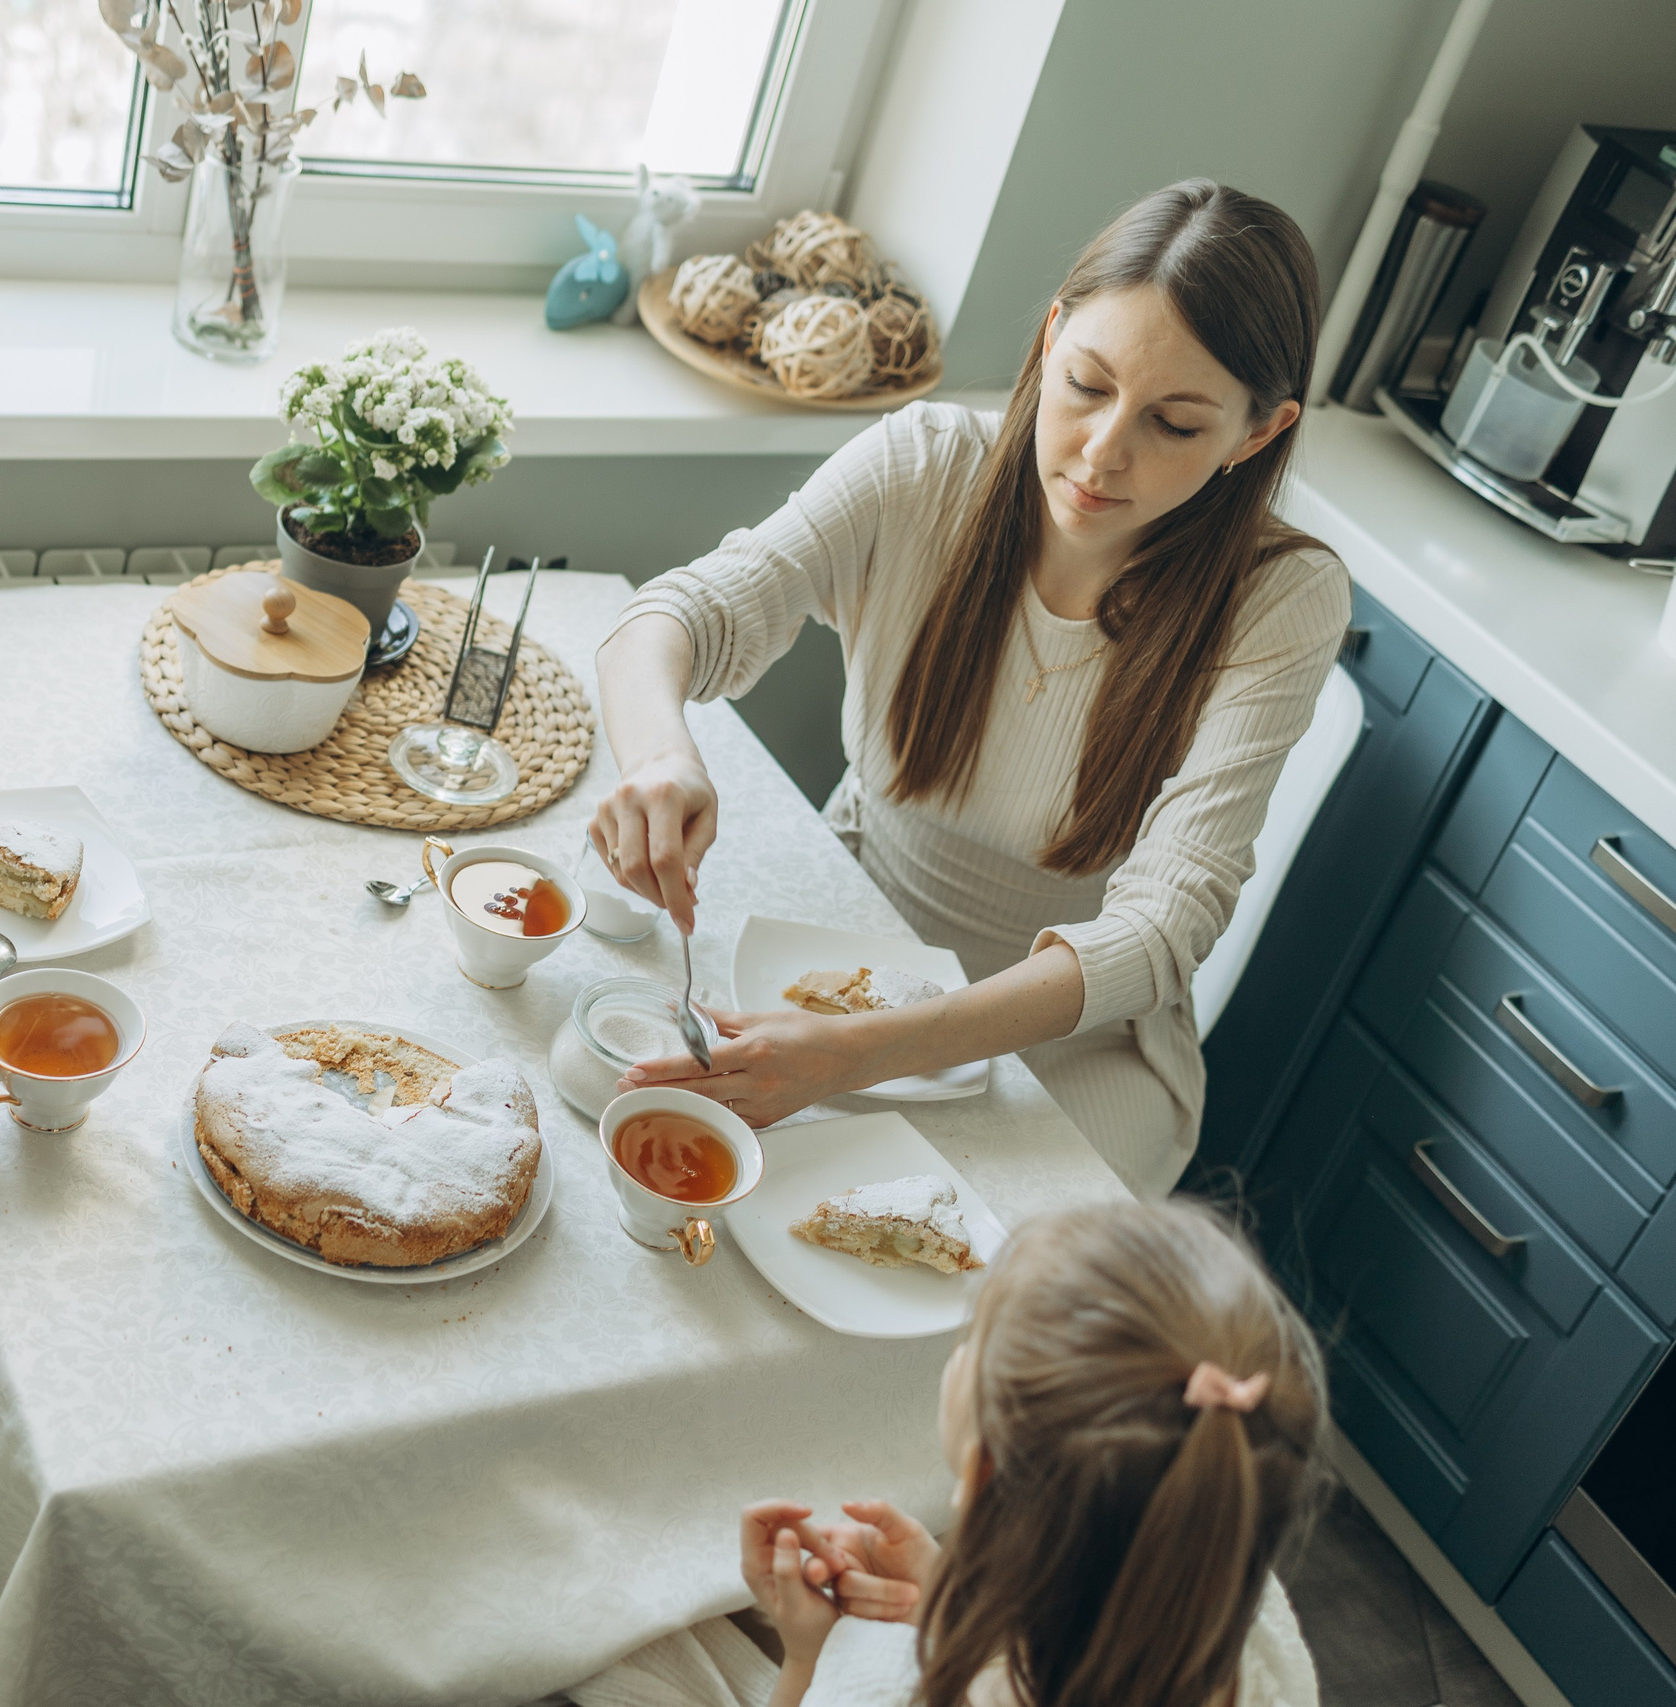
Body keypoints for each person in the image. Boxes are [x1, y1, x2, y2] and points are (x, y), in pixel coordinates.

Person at [591, 181, 1350, 1198]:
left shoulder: (1281, 599)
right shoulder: (922, 465)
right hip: (843, 941)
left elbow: (1162, 929)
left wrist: (864, 1053)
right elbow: (675, 617)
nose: (1100, 452)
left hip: (1068, 1046)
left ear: (1254, 436)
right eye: (1084, 383)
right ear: (1049, 339)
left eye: (1173, 425)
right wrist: (659, 759)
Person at [575, 1200, 1325, 1707]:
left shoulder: (888, 1685)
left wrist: (809, 1655)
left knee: (625, 1647)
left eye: (972, 1342)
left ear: (978, 1472)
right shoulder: (1254, 1625)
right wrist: (951, 1599)